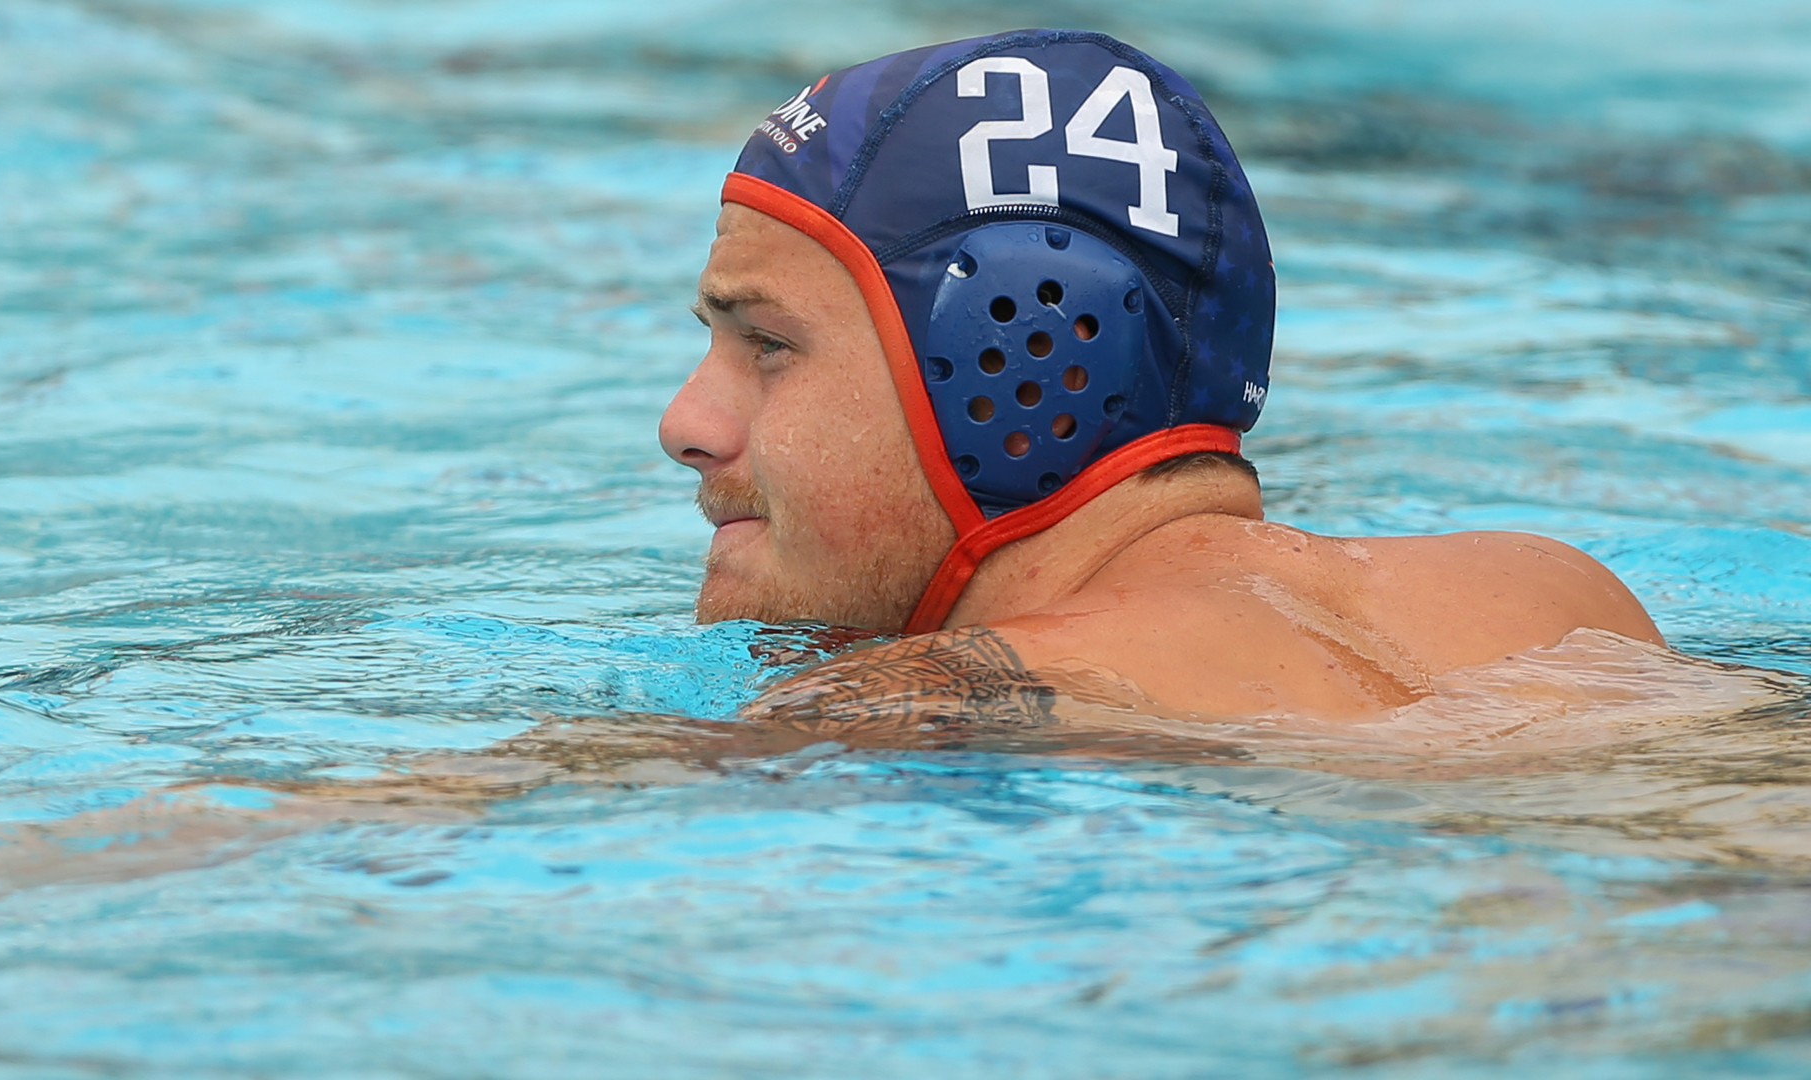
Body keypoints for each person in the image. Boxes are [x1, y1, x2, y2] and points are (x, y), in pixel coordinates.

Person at [658, 29, 1663, 736]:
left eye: (767, 345)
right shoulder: (1557, 598)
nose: (686, 423)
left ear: (1018, 364)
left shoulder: (924, 703)